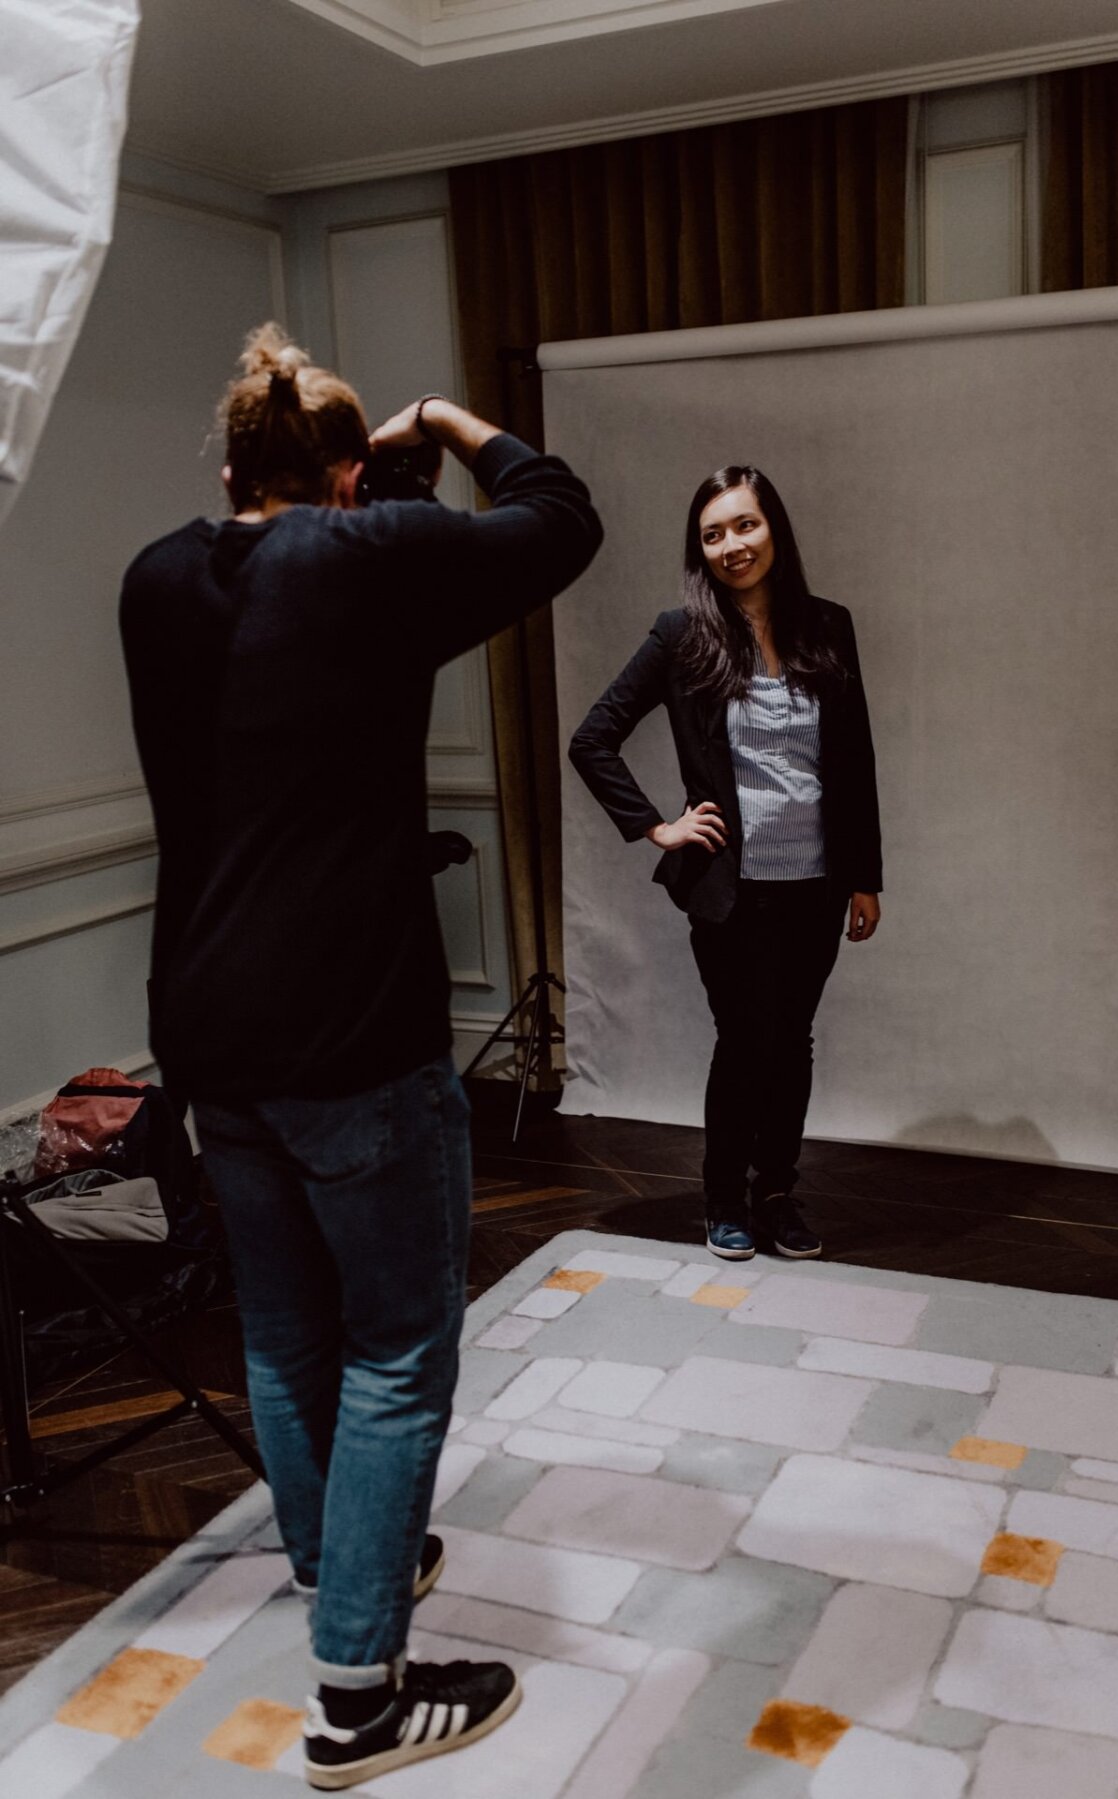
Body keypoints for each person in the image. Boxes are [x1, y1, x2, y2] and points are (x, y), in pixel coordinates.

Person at [119, 324, 602, 1789]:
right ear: (346, 476)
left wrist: (345, 476)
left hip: (211, 1035)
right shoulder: (371, 556)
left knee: (283, 1330)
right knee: (397, 1346)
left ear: (222, 465)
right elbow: (559, 516)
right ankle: (361, 1699)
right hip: (350, 1032)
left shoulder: (155, 579)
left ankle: (341, 1575)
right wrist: (448, 422)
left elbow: (278, 568)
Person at [569, 465, 880, 1262]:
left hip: (817, 885)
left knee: (795, 1040)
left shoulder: (828, 626)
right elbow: (592, 737)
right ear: (699, 549)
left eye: (744, 525)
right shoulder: (681, 634)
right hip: (731, 892)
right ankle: (722, 1200)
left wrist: (865, 875)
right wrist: (658, 827)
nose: (732, 545)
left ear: (773, 527)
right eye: (713, 534)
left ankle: (776, 1192)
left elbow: (853, 760)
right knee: (746, 1039)